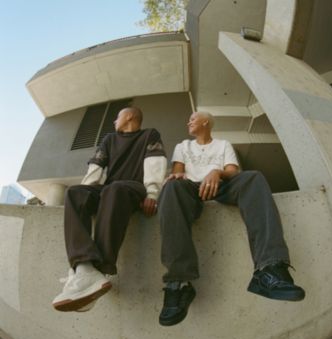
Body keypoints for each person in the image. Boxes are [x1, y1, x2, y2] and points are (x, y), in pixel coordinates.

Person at [158, 111, 305, 326]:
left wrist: (216, 172)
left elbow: (232, 171)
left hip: (221, 185)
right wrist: (176, 177)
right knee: (171, 187)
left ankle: (269, 269)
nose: (188, 121)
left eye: (193, 118)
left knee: (253, 177)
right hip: (190, 190)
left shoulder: (223, 144)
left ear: (205, 122)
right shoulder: (182, 146)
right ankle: (178, 284)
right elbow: (178, 172)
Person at [52, 107, 167, 312]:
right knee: (74, 192)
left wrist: (152, 194)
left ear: (130, 117)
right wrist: (87, 191)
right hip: (107, 191)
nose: (114, 121)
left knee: (114, 189)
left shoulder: (150, 135)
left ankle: (100, 270)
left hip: (132, 188)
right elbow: (96, 167)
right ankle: (84, 267)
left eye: (118, 117)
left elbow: (155, 163)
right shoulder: (109, 139)